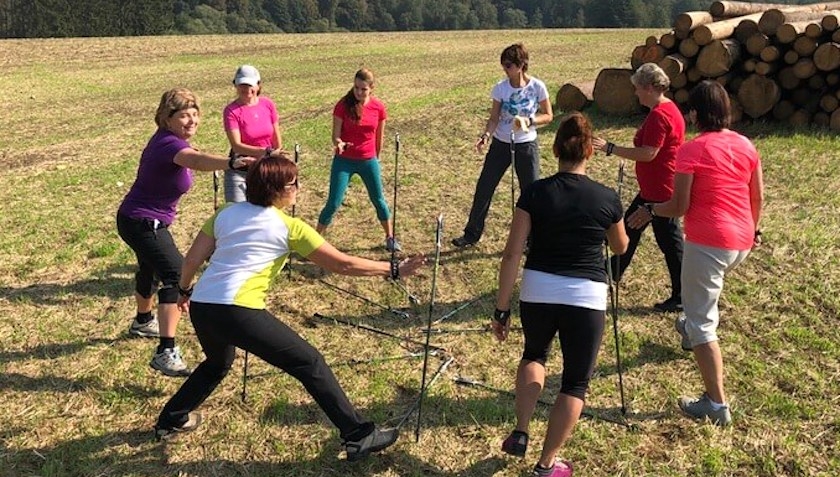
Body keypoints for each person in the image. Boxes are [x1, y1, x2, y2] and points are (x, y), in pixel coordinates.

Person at [154, 154, 426, 461]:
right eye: (294, 183)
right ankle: (358, 435)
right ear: (278, 189)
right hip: (238, 310)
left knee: (217, 364)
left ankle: (171, 418)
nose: (297, 188)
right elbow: (344, 264)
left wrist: (185, 291)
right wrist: (394, 270)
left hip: (204, 305)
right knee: (310, 363)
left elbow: (191, 260)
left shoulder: (226, 212)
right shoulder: (289, 227)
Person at [492, 112, 629, 477]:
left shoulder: (535, 192)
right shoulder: (606, 197)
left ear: (555, 150)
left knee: (534, 354)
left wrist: (502, 308)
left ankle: (521, 430)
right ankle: (547, 463)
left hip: (538, 288)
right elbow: (619, 247)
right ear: (590, 151)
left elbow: (511, 253)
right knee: (574, 383)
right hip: (586, 296)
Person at [627, 81, 763, 426]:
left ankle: (716, 405)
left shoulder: (693, 150)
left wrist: (649, 211)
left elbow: (678, 205)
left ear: (695, 114)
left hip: (709, 243)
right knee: (700, 300)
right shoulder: (746, 145)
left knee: (703, 323)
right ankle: (688, 328)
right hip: (742, 242)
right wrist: (754, 228)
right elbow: (756, 197)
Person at [117, 88, 254, 378]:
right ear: (167, 118)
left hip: (136, 219)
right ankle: (165, 352)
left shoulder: (170, 140)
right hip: (143, 221)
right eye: (183, 115)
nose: (191, 120)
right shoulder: (169, 144)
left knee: (150, 268)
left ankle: (143, 321)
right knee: (176, 276)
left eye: (195, 114)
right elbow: (198, 161)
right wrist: (231, 163)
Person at [593, 63, 685, 312]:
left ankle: (683, 296)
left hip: (660, 190)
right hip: (656, 187)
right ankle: (610, 273)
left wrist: (612, 149)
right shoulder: (668, 108)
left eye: (637, 89)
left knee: (669, 243)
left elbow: (648, 154)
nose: (635, 94)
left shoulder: (659, 116)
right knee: (630, 230)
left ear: (649, 88)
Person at [452, 43, 553, 249]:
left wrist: (530, 121)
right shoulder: (500, 88)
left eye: (508, 65)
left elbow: (549, 115)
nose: (505, 70)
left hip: (526, 145)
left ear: (521, 65)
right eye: (503, 65)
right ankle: (471, 235)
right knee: (484, 188)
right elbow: (494, 117)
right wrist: (486, 135)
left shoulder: (537, 87)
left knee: (531, 193)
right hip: (501, 144)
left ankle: (534, 241)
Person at [316, 68, 400, 252]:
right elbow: (335, 136)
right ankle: (315, 242)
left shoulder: (378, 108)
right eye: (356, 88)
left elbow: (379, 137)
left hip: (368, 160)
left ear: (372, 88)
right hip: (343, 161)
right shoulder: (342, 105)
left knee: (378, 200)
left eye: (363, 89)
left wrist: (375, 158)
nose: (359, 92)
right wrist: (339, 144)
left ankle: (390, 237)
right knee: (333, 203)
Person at [223, 64, 284, 203]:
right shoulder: (231, 111)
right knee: (237, 215)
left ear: (258, 85)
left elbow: (276, 137)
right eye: (241, 85)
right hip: (241, 171)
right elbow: (237, 146)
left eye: (249, 85)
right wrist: (266, 152)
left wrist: (276, 154)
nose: (246, 89)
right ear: (236, 86)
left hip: (266, 169)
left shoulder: (267, 104)